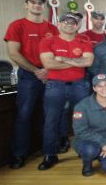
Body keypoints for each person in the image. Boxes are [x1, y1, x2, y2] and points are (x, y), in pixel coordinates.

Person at [5, 0, 58, 169]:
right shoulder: (17, 26)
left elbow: (58, 52)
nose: (36, 5)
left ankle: (48, 152)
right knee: (24, 115)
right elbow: (13, 53)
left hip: (50, 75)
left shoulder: (52, 28)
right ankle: (19, 154)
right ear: (26, 5)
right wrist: (36, 71)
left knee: (49, 116)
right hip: (29, 76)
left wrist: (48, 70)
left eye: (40, 3)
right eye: (33, 3)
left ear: (44, 7)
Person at [38, 12, 94, 170]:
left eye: (73, 22)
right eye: (66, 22)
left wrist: (62, 59)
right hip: (55, 86)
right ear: (59, 24)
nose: (69, 24)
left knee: (83, 120)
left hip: (79, 85)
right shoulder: (48, 41)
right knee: (51, 121)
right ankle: (50, 154)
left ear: (77, 25)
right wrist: (77, 62)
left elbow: (88, 61)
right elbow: (49, 64)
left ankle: (84, 150)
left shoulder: (84, 40)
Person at [72, 73, 106, 176]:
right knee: (90, 150)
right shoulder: (82, 106)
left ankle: (100, 155)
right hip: (87, 140)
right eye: (99, 86)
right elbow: (80, 130)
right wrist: (102, 143)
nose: (104, 88)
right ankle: (87, 163)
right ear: (94, 88)